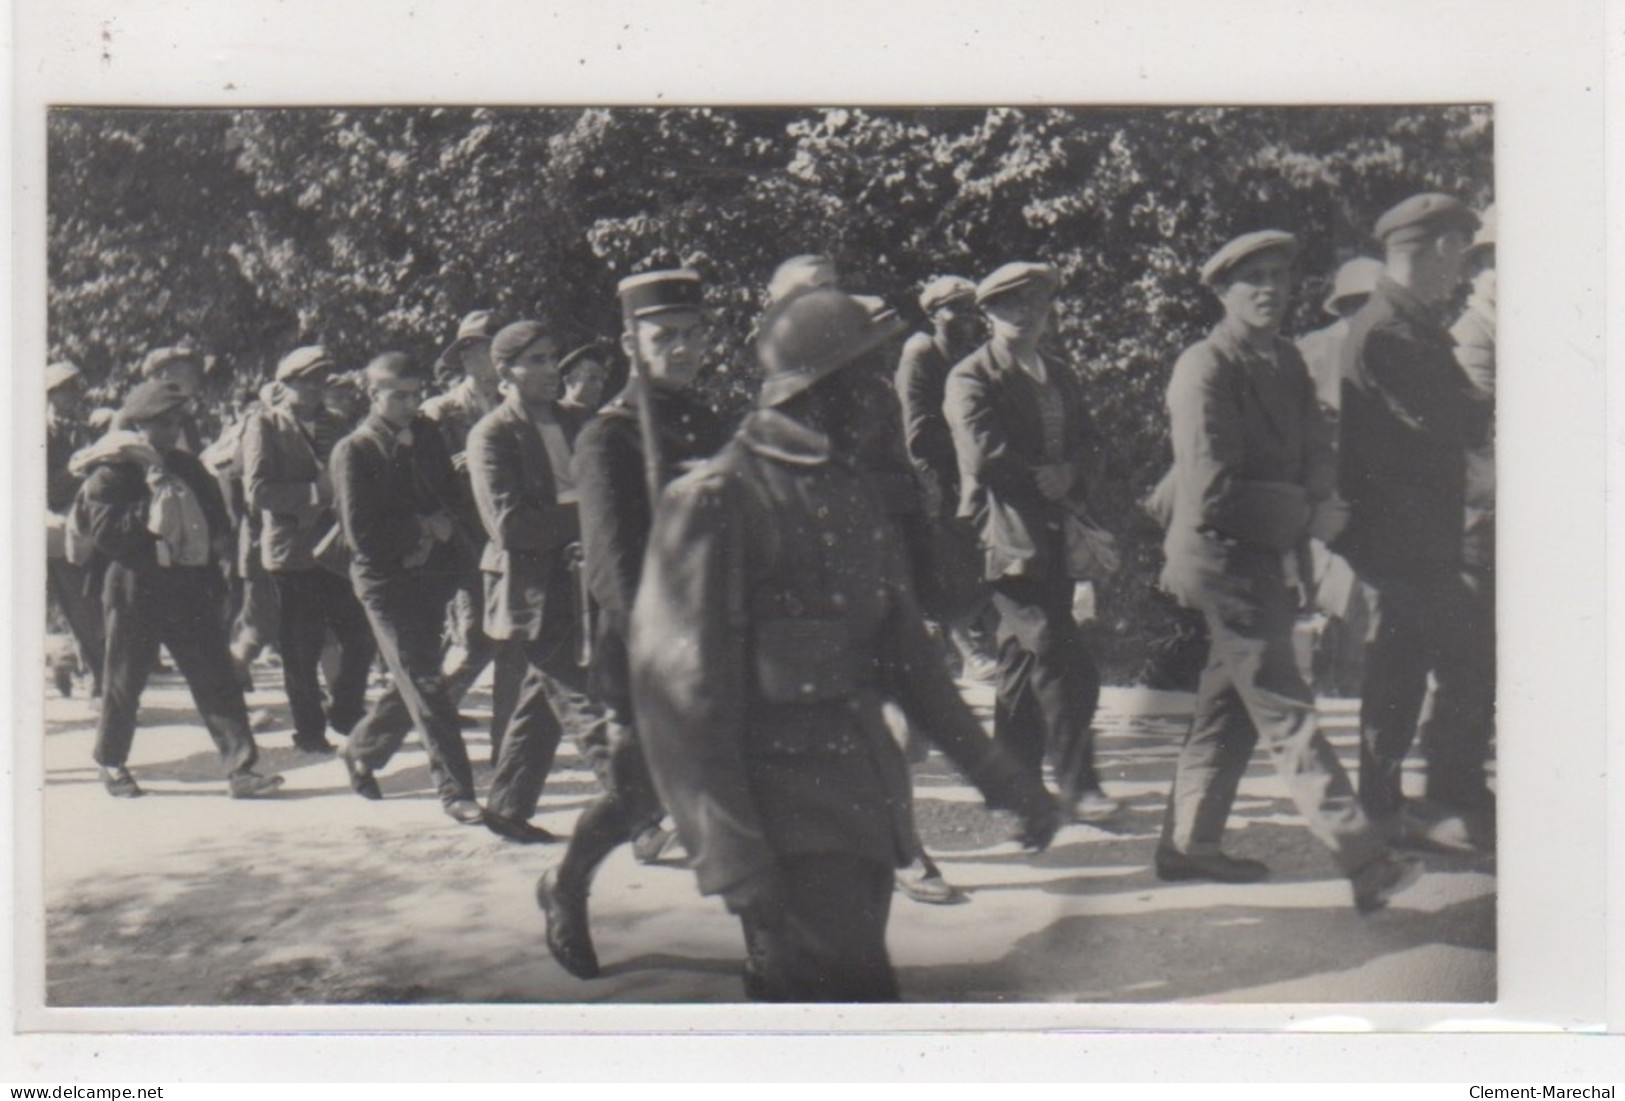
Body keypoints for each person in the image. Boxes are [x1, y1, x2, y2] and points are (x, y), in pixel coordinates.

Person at [629, 286, 1060, 1001]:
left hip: (862, 810)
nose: (879, 394)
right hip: (778, 829)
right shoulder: (719, 497)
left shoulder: (851, 492)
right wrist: (729, 850)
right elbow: (676, 695)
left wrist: (1004, 780)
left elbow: (911, 667)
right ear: (818, 387)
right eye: (866, 376)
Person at [1154, 230, 1421, 911]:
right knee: (1283, 706)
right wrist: (1306, 514)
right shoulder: (1203, 367)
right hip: (1219, 556)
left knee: (1227, 706)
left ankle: (1189, 843)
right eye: (1253, 280)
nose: (1269, 289)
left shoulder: (1284, 363)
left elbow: (1313, 446)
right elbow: (1211, 490)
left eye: (1279, 275)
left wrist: (1322, 496)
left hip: (1262, 552)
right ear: (1221, 292)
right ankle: (1365, 862)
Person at [535, 270, 729, 978]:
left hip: (726, 642)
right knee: (634, 796)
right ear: (630, 342)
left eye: (691, 334)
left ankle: (776, 942)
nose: (680, 348)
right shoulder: (608, 437)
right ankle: (564, 884)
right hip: (650, 653)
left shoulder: (711, 423)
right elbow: (613, 573)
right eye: (663, 336)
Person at [1337, 193, 1496, 851]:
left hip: (1418, 536)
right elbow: (1452, 420)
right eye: (1458, 255)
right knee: (1411, 669)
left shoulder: (1409, 324)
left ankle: (1417, 800)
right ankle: (1387, 808)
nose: (1459, 271)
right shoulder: (1390, 331)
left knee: (1425, 663)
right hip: (1397, 538)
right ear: (1434, 249)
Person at [943, 262, 1120, 822]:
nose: (1025, 314)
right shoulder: (972, 376)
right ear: (988, 314)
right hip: (1004, 534)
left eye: (1037, 302)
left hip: (1058, 534)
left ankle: (1007, 784)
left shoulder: (1059, 373)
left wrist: (1072, 473)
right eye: (1010, 304)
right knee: (1060, 656)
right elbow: (983, 453)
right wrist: (1039, 478)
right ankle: (1078, 784)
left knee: (1022, 661)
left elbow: (1093, 443)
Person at [69, 378, 284, 800]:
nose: (171, 432)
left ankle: (241, 769)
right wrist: (153, 504)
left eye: (175, 423)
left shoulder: (187, 466)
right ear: (137, 426)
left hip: (188, 589)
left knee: (216, 677)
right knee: (124, 682)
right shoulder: (110, 473)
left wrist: (216, 564)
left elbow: (218, 519)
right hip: (134, 589)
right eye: (161, 424)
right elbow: (108, 536)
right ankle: (111, 763)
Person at [332, 352, 483, 825]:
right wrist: (423, 526)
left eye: (416, 394)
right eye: (398, 395)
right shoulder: (354, 450)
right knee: (424, 679)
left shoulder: (427, 436)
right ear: (373, 396)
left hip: (430, 575)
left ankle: (361, 749)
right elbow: (362, 535)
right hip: (383, 580)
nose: (410, 403)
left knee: (418, 673)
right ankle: (456, 791)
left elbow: (452, 498)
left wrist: (448, 527)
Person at [465, 319, 595, 844]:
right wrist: (588, 516)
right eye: (536, 360)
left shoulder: (578, 422)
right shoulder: (492, 434)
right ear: (505, 371)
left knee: (544, 692)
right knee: (578, 693)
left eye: (553, 358)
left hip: (585, 578)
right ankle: (641, 809)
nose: (550, 370)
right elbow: (512, 526)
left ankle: (506, 805)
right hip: (532, 585)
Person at [243, 346, 376, 754]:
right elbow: (259, 491)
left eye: (322, 379)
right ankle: (309, 729)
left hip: (335, 549)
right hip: (292, 553)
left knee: (360, 635)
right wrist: (314, 493)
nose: (316, 388)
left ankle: (345, 710)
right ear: (285, 384)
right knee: (301, 646)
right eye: (307, 380)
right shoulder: (265, 425)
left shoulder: (336, 424)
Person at [421, 320, 525, 760]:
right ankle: (426, 719)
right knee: (473, 639)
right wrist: (465, 465)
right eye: (486, 350)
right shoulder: (440, 411)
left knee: (505, 640)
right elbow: (421, 474)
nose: (496, 359)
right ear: (466, 356)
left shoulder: (513, 405)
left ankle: (501, 742)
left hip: (502, 535)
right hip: (458, 538)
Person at [895, 274, 998, 684]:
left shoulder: (967, 353)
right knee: (949, 562)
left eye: (973, 309)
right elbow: (916, 432)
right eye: (957, 308)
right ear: (935, 314)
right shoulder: (921, 354)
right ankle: (968, 650)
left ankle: (975, 642)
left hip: (967, 471)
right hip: (934, 475)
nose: (968, 318)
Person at [1295, 257, 1384, 697]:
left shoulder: (1316, 345)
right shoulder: (1326, 348)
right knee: (1345, 572)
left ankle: (1340, 668)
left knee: (1341, 572)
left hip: (1344, 476)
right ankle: (1337, 666)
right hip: (1336, 474)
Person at [46, 361, 105, 698]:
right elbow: (43, 489)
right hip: (55, 530)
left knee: (88, 605)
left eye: (74, 388)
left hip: (87, 526)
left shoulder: (83, 430)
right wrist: (72, 472)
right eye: (65, 389)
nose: (72, 395)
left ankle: (82, 668)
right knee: (77, 606)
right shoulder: (39, 432)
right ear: (50, 394)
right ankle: (86, 674)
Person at [557, 344, 611, 417]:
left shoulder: (601, 421)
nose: (600, 386)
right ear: (569, 381)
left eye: (602, 381)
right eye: (592, 379)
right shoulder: (550, 415)